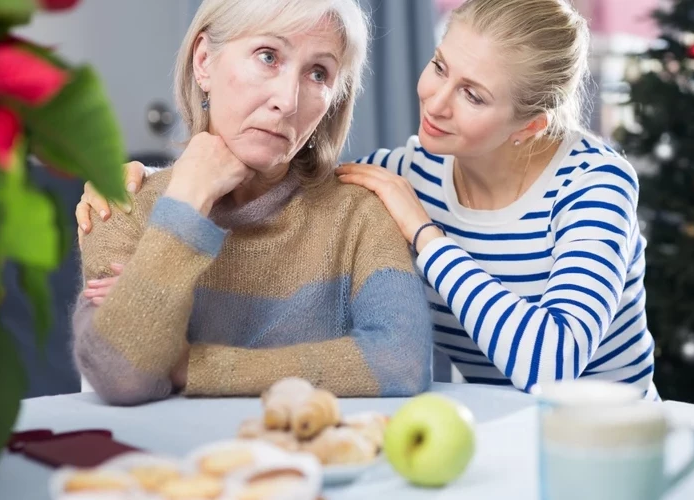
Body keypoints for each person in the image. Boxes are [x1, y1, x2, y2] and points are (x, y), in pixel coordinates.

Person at [79, 0, 657, 399]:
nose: (435, 101)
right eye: (439, 66)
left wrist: (425, 235)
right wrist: (162, 188)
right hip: (493, 431)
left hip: (614, 434)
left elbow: (546, 364)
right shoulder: (400, 176)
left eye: (473, 95)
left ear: (528, 126)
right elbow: (122, 372)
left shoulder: (591, 184)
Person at [72, 0, 433, 406]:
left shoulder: (360, 214)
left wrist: (192, 366)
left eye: (319, 73)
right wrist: (187, 203)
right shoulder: (124, 203)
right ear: (205, 61)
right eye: (268, 56)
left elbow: (402, 360)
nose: (288, 101)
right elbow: (121, 376)